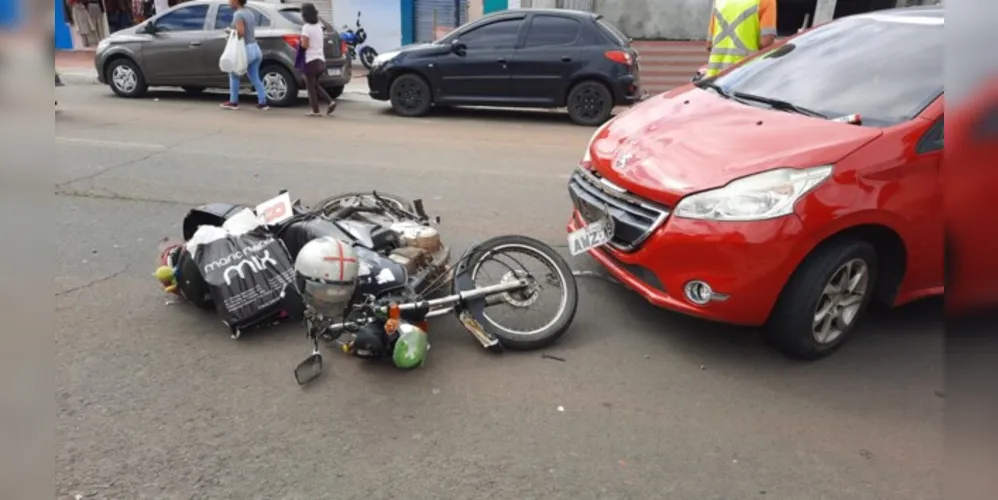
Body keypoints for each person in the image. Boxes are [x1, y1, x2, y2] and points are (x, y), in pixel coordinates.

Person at [704, 0, 777, 78]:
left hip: (713, 76)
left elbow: (709, 44)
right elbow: (766, 42)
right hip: (743, 75)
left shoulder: (719, 1)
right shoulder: (767, 1)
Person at [220, 0, 269, 110]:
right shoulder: (249, 12)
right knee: (255, 77)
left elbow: (241, 33)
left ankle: (233, 102)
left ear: (236, 1)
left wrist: (230, 31)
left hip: (246, 49)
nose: (228, 2)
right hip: (255, 48)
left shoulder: (238, 14)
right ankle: (263, 102)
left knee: (234, 73)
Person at [299, 3, 336, 116]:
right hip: (320, 60)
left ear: (304, 15)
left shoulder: (306, 27)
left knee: (310, 86)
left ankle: (315, 111)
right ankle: (330, 102)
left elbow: (305, 45)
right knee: (313, 84)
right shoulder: (319, 26)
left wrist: (299, 44)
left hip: (311, 61)